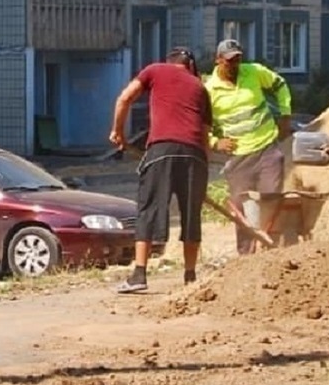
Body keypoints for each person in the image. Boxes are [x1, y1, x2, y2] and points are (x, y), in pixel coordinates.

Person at [109, 47, 212, 292]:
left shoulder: (154, 70)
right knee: (191, 216)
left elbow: (125, 98)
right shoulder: (200, 87)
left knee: (148, 210)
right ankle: (190, 276)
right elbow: (206, 136)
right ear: (190, 65)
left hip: (161, 150)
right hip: (194, 155)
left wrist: (118, 132)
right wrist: (201, 172)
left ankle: (139, 275)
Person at [205, 39, 293, 254]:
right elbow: (200, 124)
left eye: (237, 59)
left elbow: (280, 85)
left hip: (266, 149)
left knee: (271, 197)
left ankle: (272, 249)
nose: (234, 65)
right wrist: (215, 142)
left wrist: (285, 114)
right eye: (229, 61)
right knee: (241, 206)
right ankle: (246, 255)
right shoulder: (209, 90)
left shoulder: (253, 72)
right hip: (238, 157)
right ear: (218, 61)